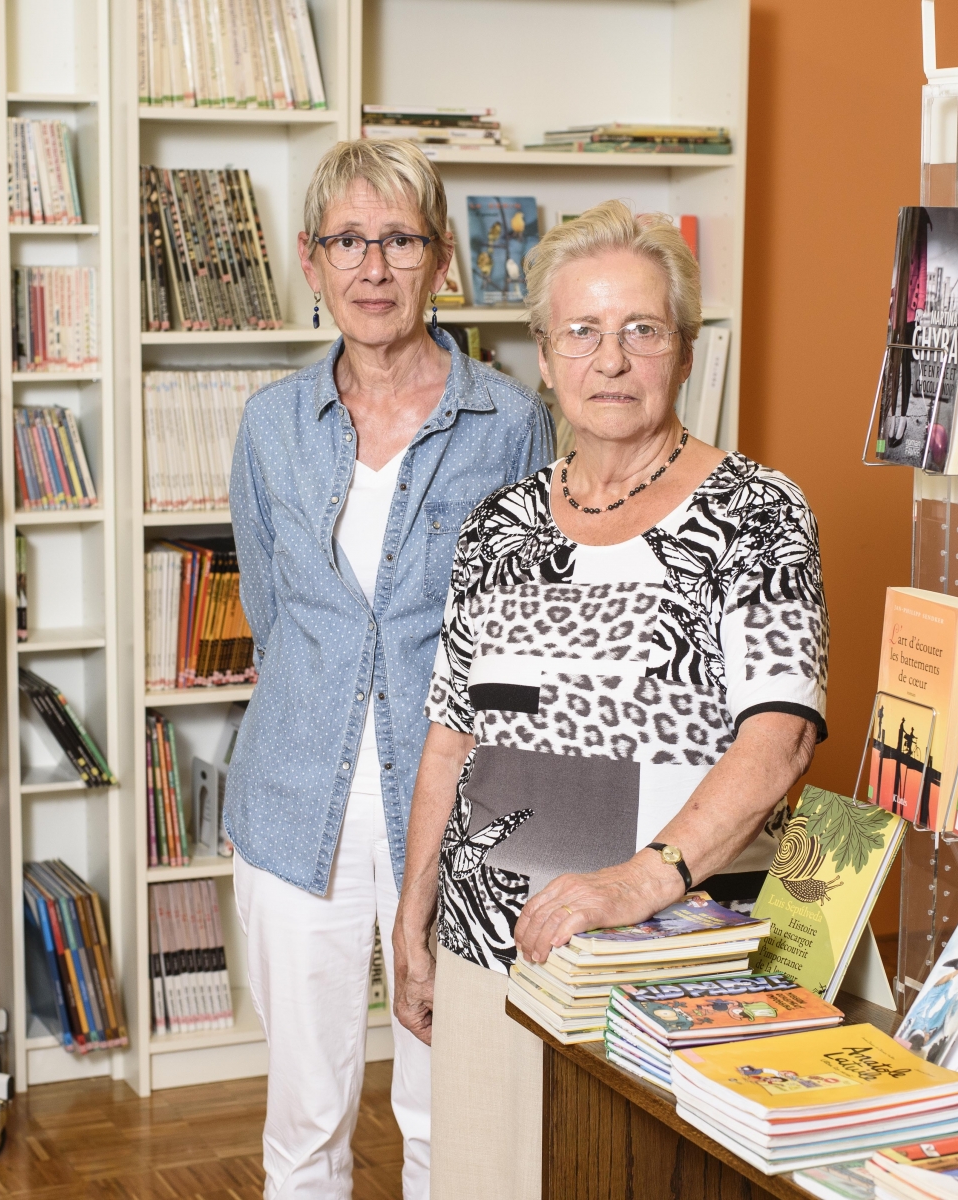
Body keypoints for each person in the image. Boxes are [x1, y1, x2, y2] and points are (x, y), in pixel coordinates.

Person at [390, 200, 828, 1199]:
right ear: (544, 357)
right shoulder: (499, 525)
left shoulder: (755, 513)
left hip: (665, 961)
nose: (612, 359)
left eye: (642, 330)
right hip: (490, 948)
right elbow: (451, 735)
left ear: (681, 350)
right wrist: (414, 917)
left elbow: (780, 740)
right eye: (582, 333)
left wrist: (640, 880)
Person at [225, 137, 553, 1200]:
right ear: (311, 262)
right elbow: (271, 615)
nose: (374, 267)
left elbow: (535, 635)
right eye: (348, 242)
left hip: (457, 814)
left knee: (445, 1113)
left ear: (442, 257)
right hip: (293, 803)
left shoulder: (511, 422)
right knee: (306, 1117)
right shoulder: (271, 425)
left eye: (400, 239)